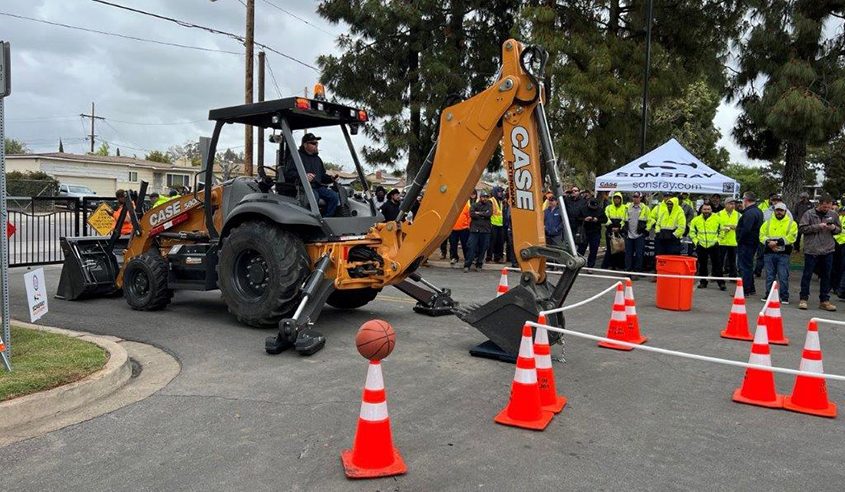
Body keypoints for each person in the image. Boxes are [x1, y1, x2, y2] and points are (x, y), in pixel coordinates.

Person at [798, 194, 841, 311]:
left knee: (826, 276)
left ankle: (824, 300)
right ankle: (803, 298)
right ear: (819, 204)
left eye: (828, 207)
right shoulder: (809, 214)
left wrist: (833, 229)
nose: (826, 209)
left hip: (828, 249)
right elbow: (802, 229)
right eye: (824, 207)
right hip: (812, 249)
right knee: (807, 275)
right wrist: (818, 226)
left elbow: (839, 229)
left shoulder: (833, 214)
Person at [284, 133, 339, 217]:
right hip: (303, 187)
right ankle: (312, 220)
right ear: (305, 144)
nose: (316, 145)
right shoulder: (296, 156)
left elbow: (322, 176)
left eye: (316, 143)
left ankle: (327, 218)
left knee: (334, 196)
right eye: (313, 143)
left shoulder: (317, 159)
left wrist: (331, 178)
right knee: (313, 198)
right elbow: (289, 173)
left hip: (317, 187)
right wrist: (303, 176)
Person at [760, 202, 797, 303]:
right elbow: (761, 235)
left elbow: (792, 237)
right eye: (777, 210)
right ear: (774, 211)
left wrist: (776, 243)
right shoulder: (767, 223)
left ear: (785, 211)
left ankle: (784, 297)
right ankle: (768, 295)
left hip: (783, 254)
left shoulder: (791, 223)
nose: (779, 212)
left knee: (783, 275)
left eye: (781, 210)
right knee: (769, 275)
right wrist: (769, 242)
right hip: (769, 253)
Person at [690, 203, 725, 290]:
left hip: (714, 245)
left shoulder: (717, 219)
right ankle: (703, 282)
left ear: (711, 210)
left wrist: (718, 241)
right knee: (702, 265)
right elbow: (692, 232)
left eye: (708, 209)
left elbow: (722, 231)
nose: (706, 211)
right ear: (701, 210)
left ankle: (721, 283)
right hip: (701, 245)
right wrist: (696, 242)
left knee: (717, 265)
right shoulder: (696, 220)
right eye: (704, 209)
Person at [737, 192, 764, 298]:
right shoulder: (758, 211)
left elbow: (746, 229)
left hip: (746, 243)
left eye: (743, 199)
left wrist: (739, 238)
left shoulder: (749, 213)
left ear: (746, 199)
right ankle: (751, 288)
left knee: (744, 266)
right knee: (748, 265)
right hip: (752, 242)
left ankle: (745, 289)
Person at [464, 190, 493, 272]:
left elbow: (489, 214)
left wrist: (479, 213)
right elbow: (472, 214)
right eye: (483, 197)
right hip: (474, 230)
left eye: (486, 197)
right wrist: (483, 214)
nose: (485, 199)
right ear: (480, 197)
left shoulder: (490, 205)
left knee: (483, 248)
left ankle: (479, 265)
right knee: (471, 248)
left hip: (485, 231)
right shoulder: (474, 205)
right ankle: (467, 265)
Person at [623, 192, 649, 276]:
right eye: (634, 197)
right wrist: (624, 229)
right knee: (628, 254)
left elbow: (650, 220)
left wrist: (646, 230)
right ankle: (628, 270)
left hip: (639, 235)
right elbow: (623, 219)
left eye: (637, 197)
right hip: (629, 234)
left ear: (640, 198)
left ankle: (638, 270)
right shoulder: (627, 207)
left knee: (639, 254)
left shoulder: (645, 208)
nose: (635, 198)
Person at [577, 199, 605, 267]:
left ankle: (591, 265)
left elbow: (605, 219)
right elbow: (577, 218)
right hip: (585, 232)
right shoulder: (583, 209)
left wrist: (597, 220)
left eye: (594, 207)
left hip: (595, 232)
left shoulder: (600, 210)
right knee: (581, 249)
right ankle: (578, 263)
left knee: (594, 250)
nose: (593, 208)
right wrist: (584, 219)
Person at [602, 192, 627, 269]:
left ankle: (620, 265)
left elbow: (625, 219)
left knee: (621, 248)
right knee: (610, 248)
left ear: (621, 199)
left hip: (621, 230)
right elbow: (606, 217)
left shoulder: (625, 208)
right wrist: (611, 227)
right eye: (615, 198)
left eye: (618, 198)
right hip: (610, 230)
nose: (616, 200)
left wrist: (619, 228)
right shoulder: (608, 207)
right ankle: (609, 265)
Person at [717, 198, 740, 279]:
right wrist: (724, 228)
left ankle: (733, 276)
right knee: (719, 260)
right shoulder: (719, 214)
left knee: (732, 261)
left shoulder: (738, 215)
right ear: (725, 204)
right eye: (730, 204)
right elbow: (715, 226)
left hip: (733, 241)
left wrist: (736, 227)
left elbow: (742, 226)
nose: (733, 206)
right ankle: (718, 276)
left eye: (734, 204)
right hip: (721, 241)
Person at [449, 199, 471, 266]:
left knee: (465, 244)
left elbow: (469, 216)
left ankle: (466, 258)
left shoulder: (466, 206)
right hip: (453, 229)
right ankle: (454, 257)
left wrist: (467, 225)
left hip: (464, 229)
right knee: (453, 244)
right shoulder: (451, 206)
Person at [487, 186, 505, 263]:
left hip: (500, 225)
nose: (500, 193)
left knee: (500, 242)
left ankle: (498, 258)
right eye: (499, 192)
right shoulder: (491, 201)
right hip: (493, 224)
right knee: (492, 242)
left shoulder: (501, 201)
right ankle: (489, 258)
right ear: (495, 192)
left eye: (501, 192)